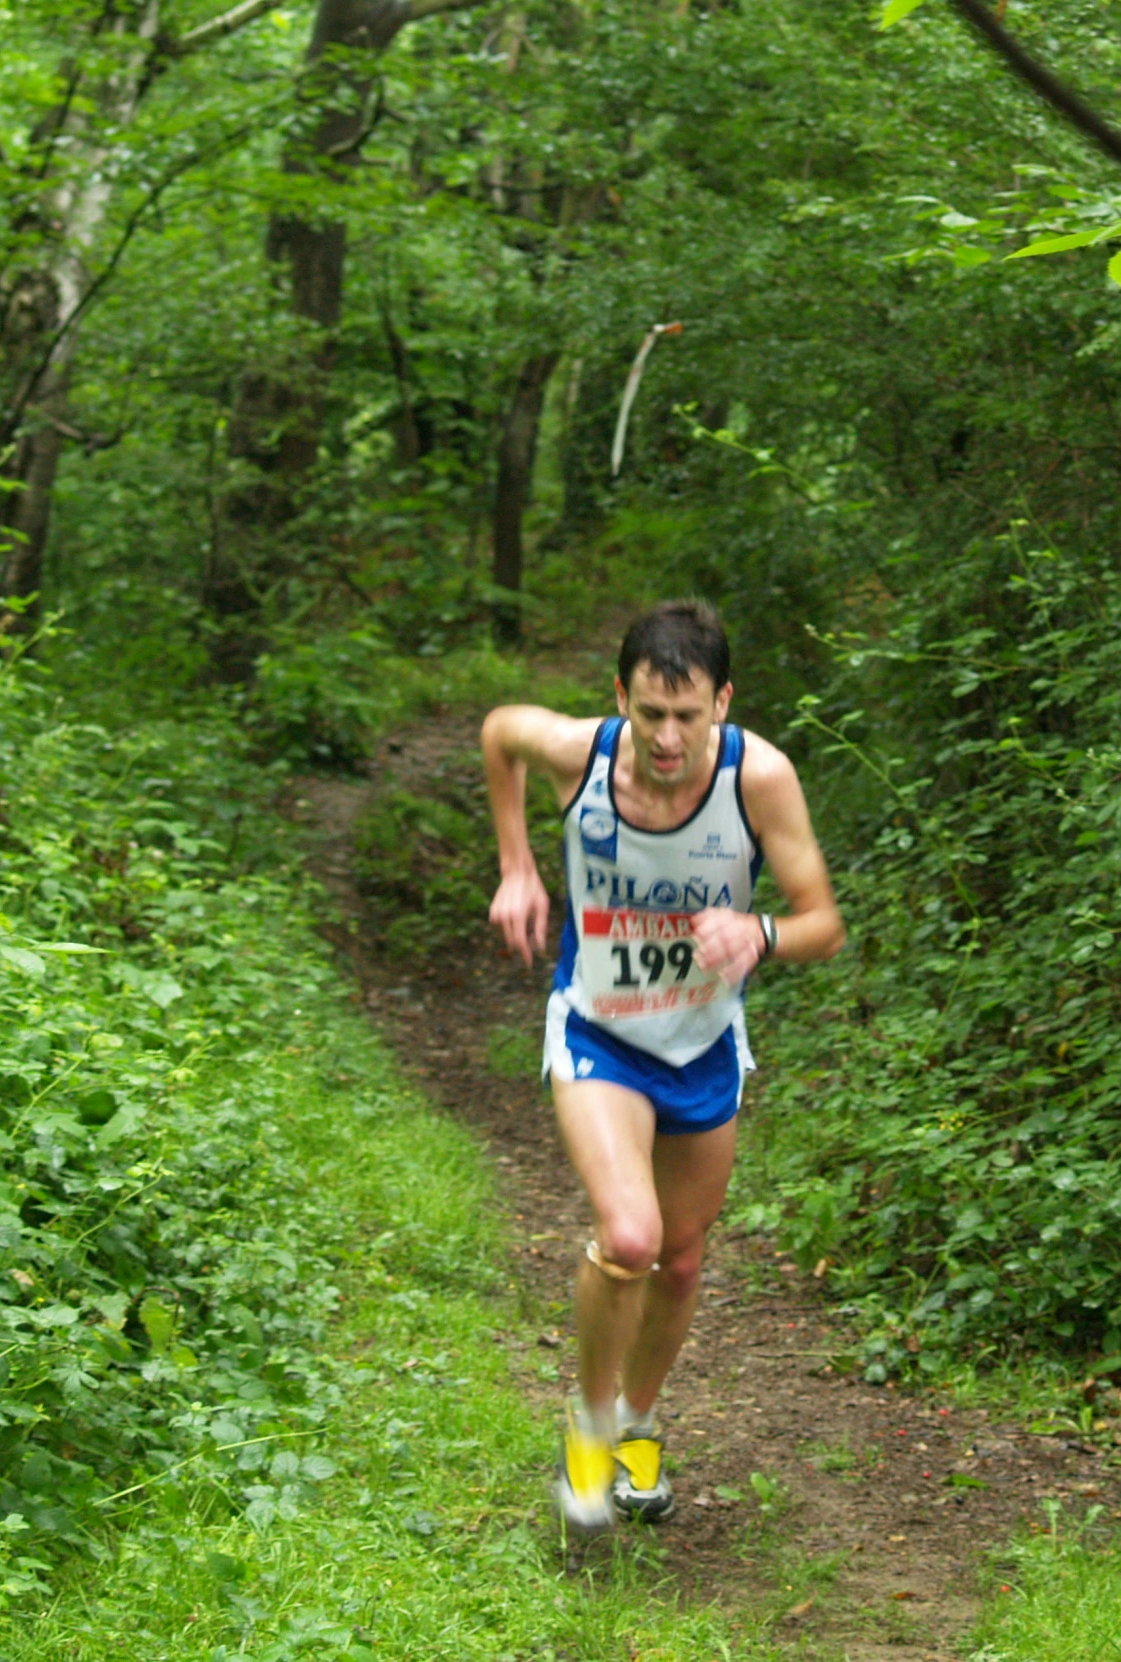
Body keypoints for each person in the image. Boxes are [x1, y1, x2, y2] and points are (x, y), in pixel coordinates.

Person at [481, 600, 845, 1531]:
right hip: (599, 1031)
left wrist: (760, 931)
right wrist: (518, 864)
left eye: (689, 716)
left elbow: (823, 925)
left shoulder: (758, 778)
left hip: (701, 1041)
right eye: (651, 715)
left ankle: (639, 1426)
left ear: (723, 702)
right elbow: (499, 732)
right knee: (632, 1238)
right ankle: (591, 1427)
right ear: (622, 701)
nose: (669, 738)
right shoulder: (583, 755)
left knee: (680, 1264)